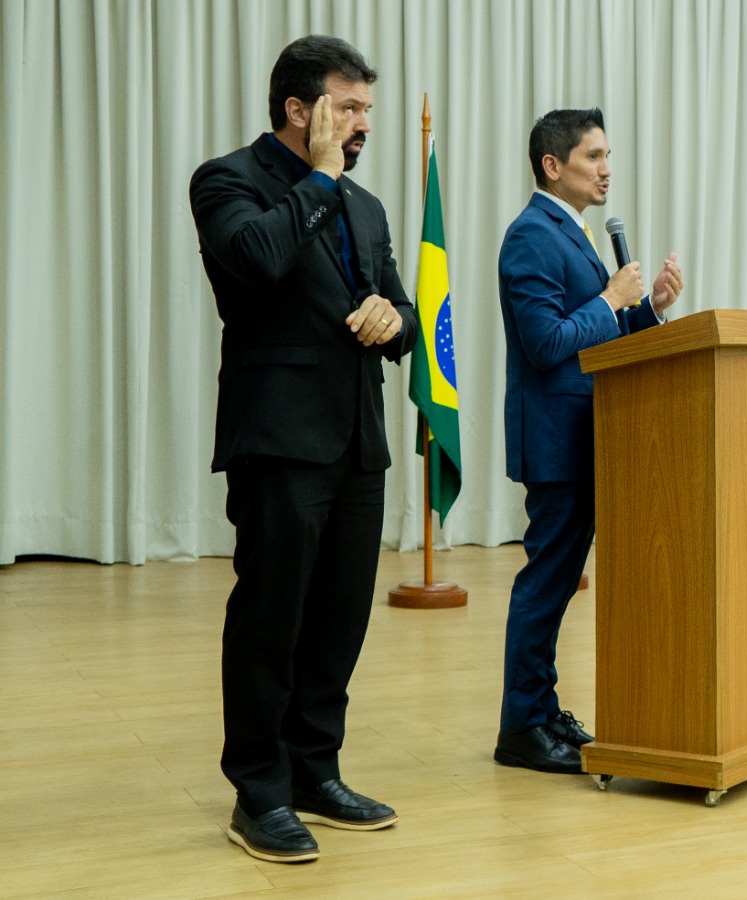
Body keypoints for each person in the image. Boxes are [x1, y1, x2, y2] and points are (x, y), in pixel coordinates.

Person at [189, 35, 416, 863]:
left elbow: (397, 306)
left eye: (365, 108)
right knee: (270, 619)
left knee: (337, 620)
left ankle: (316, 771)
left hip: (358, 440)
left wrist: (397, 322)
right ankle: (259, 789)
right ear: (300, 109)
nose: (363, 123)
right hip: (278, 438)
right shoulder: (228, 181)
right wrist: (319, 176)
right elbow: (253, 261)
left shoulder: (367, 206)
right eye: (348, 107)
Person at [496, 108, 684, 774]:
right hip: (558, 440)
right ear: (553, 165)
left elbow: (601, 343)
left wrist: (649, 309)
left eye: (608, 156)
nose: (607, 169)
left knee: (556, 583)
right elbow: (547, 345)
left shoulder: (571, 233)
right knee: (546, 584)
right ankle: (522, 727)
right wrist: (609, 300)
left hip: (593, 436)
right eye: (594, 156)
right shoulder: (531, 236)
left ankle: (542, 713)